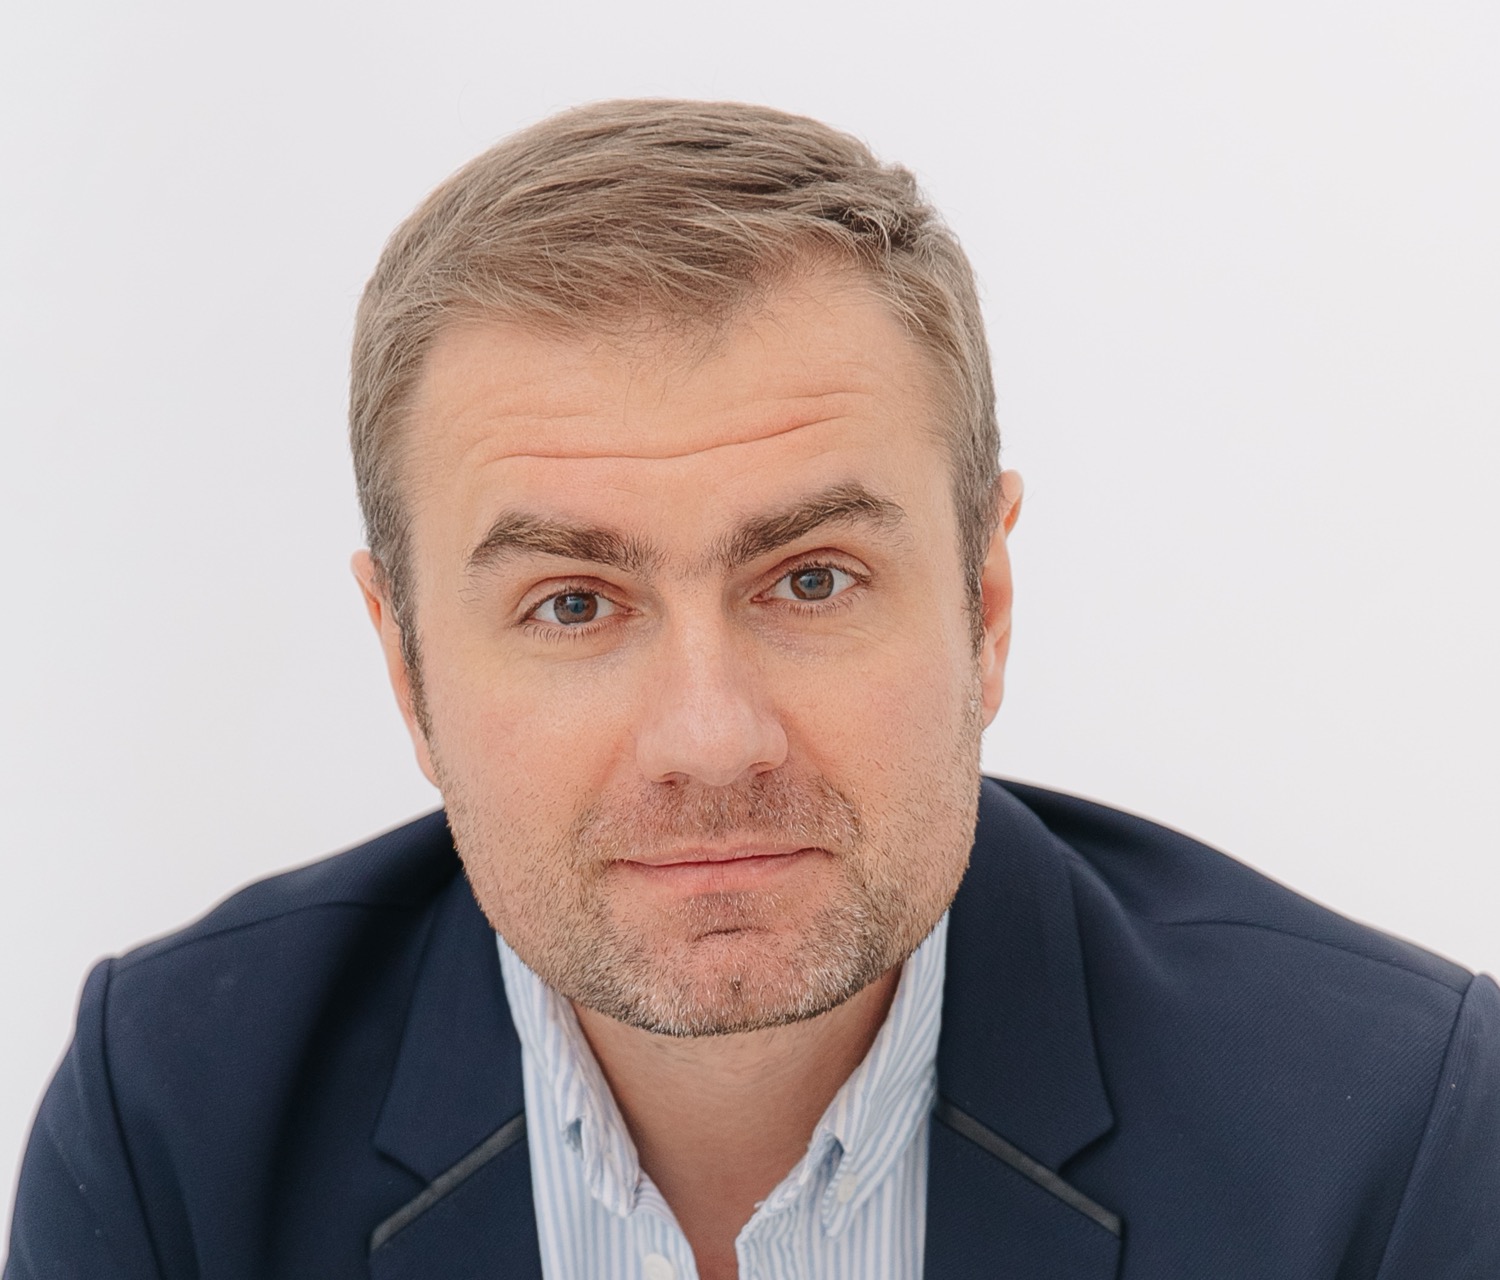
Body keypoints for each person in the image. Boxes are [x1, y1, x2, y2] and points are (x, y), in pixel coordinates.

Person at [6, 99, 1497, 1280]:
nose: (711, 739)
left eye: (813, 580)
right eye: (573, 603)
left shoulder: (1390, 1134)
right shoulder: (177, 1124)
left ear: (984, 608)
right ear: (407, 670)